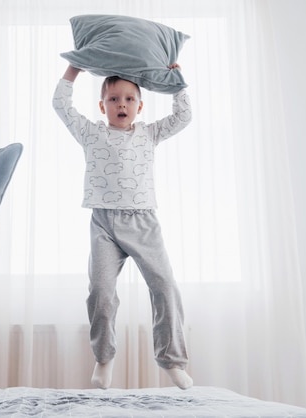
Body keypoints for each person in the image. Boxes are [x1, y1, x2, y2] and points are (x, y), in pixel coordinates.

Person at [52, 64, 193, 390]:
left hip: (143, 222)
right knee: (101, 292)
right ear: (103, 106)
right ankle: (104, 358)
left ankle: (172, 360)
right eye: (114, 99)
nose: (122, 105)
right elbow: (61, 105)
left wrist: (177, 84)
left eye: (129, 99)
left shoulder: (149, 133)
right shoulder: (91, 132)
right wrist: (73, 69)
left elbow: (183, 117)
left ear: (139, 107)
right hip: (104, 223)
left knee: (165, 288)